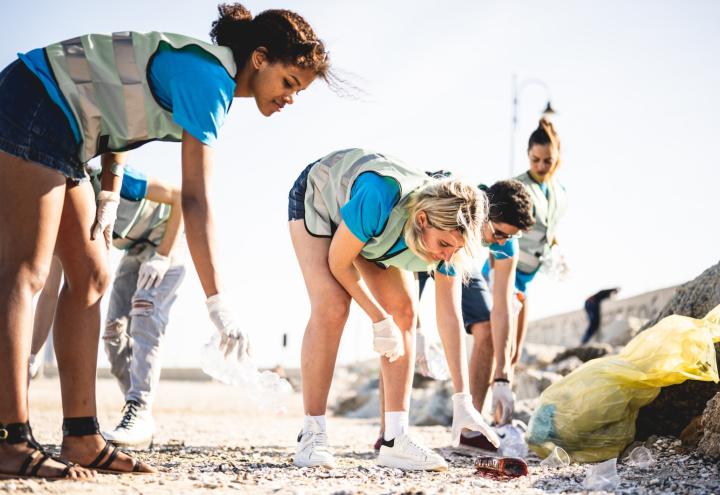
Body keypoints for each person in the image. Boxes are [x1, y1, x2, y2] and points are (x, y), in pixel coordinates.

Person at [0, 4, 329, 479]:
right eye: (289, 84)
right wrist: (218, 302)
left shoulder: (206, 76)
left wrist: (108, 197)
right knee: (26, 271)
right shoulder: (210, 79)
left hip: (69, 130)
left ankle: (81, 435)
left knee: (92, 275)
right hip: (36, 99)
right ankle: (10, 438)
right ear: (259, 58)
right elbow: (195, 200)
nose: (289, 99)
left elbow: (116, 116)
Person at [288, 148, 499, 472]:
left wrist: (463, 399)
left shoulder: (450, 241)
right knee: (333, 306)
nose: (447, 256)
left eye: (454, 249)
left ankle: (395, 440)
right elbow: (338, 262)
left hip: (371, 230)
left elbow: (450, 317)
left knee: (404, 311)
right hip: (322, 199)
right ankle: (313, 434)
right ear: (422, 220)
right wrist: (377, 319)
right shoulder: (379, 196)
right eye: (443, 245)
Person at [29, 164, 186, 451]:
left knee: (145, 311)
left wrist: (163, 256)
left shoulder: (114, 180)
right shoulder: (60, 217)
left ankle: (139, 405)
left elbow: (181, 197)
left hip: (166, 246)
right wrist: (31, 356)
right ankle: (140, 411)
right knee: (114, 336)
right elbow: (49, 293)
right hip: (135, 252)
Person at [386, 179, 534, 451]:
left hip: (456, 257)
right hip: (422, 241)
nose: (501, 241)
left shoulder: (505, 243)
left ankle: (470, 425)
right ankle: (390, 431)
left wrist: (502, 378)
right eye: (499, 233)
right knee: (400, 325)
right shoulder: (455, 212)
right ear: (484, 217)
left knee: (486, 325)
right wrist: (417, 331)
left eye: (509, 237)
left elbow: (501, 308)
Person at [483, 118, 567, 380]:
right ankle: (486, 411)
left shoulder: (558, 190)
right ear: (527, 156)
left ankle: (499, 413)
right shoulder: (519, 187)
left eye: (547, 161)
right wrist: (496, 278)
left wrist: (554, 246)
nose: (541, 166)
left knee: (515, 351)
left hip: (527, 277)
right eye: (535, 160)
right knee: (498, 348)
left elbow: (547, 226)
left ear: (556, 159)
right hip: (504, 271)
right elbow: (498, 231)